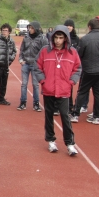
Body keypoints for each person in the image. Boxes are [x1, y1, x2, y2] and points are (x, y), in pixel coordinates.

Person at [34, 26, 81, 156]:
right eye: (56, 37)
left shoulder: (72, 52)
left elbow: (78, 69)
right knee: (48, 116)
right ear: (52, 37)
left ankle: (70, 143)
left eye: (61, 38)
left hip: (64, 90)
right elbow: (37, 66)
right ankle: (51, 141)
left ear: (66, 38)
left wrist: (71, 82)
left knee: (65, 117)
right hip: (49, 89)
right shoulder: (45, 51)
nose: (58, 40)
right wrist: (43, 81)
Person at [70, 18, 99, 125]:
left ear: (89, 26)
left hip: (88, 70)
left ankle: (75, 114)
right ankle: (97, 116)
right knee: (98, 94)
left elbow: (79, 55)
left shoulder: (85, 39)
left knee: (82, 92)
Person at [17, 21, 48, 112]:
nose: (30, 29)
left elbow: (45, 52)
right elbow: (22, 49)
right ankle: (23, 102)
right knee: (24, 84)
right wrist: (21, 60)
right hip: (26, 64)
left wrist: (41, 63)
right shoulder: (26, 38)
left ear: (36, 28)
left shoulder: (42, 38)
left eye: (32, 28)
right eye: (29, 27)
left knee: (35, 85)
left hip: (36, 65)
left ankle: (36, 103)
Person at [53, 19, 80, 116]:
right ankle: (56, 108)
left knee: (69, 89)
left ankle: (69, 108)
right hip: (58, 66)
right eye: (67, 25)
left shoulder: (77, 39)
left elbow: (77, 57)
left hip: (69, 68)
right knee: (56, 88)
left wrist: (74, 78)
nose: (69, 27)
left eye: (70, 25)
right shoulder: (55, 42)